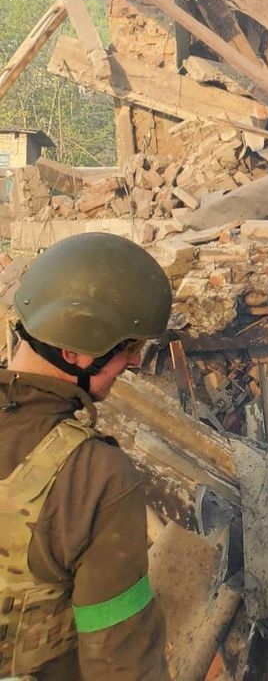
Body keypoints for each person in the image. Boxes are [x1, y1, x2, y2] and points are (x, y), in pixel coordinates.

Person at [0, 233, 172, 680]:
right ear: (73, 350)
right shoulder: (95, 477)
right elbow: (121, 665)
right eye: (128, 347)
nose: (134, 363)